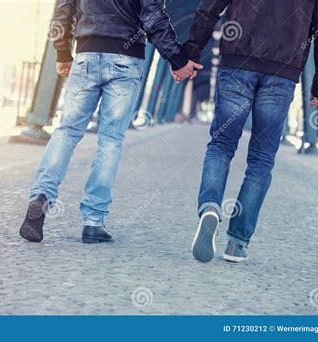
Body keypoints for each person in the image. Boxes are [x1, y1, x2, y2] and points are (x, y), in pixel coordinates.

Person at [20, 0, 202, 243]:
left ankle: (41, 196)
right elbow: (153, 16)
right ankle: (93, 222)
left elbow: (64, 8)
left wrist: (63, 51)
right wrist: (177, 59)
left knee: (66, 132)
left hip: (86, 54)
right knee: (110, 141)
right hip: (126, 60)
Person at [172, 0, 318, 262]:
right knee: (261, 160)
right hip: (282, 72)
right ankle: (237, 243)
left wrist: (192, 51)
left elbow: (210, 7)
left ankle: (211, 207)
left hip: (238, 63)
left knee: (221, 145)